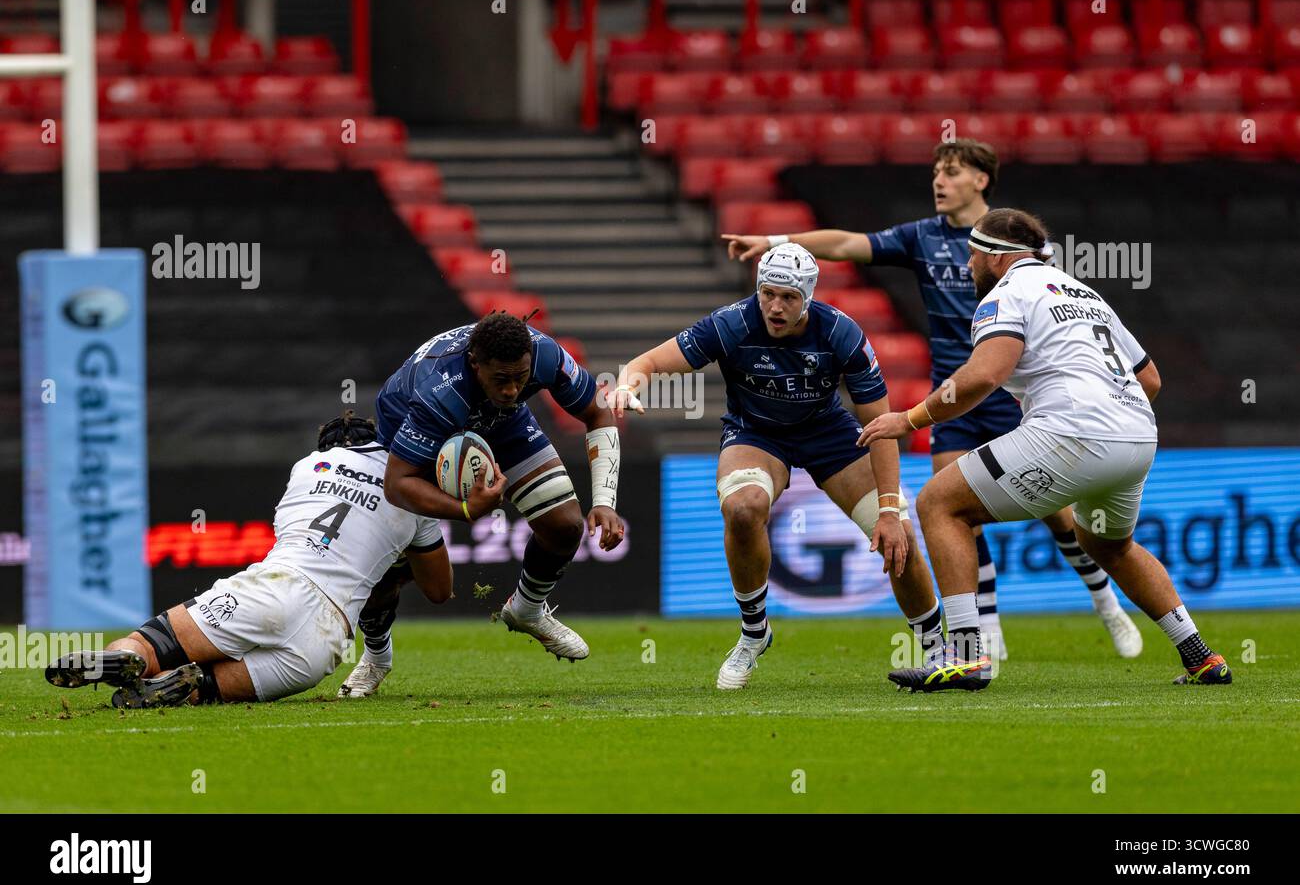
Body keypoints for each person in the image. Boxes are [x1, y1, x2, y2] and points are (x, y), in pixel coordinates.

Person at [722, 139, 1142, 661]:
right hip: (954, 393)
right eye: (936, 173)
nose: (939, 182)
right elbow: (849, 245)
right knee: (959, 508)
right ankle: (985, 628)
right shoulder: (920, 237)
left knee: (1058, 515)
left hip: (1014, 393)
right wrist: (773, 239)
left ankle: (1105, 602)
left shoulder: (1015, 243)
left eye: (951, 172)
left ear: (981, 181)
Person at [859, 209, 1231, 691]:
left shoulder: (1008, 294)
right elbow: (1150, 379)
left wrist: (908, 420)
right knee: (1107, 544)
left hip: (1073, 429)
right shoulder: (1085, 293)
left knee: (939, 504)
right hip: (1138, 433)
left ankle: (968, 655)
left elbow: (983, 376)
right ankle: (1201, 656)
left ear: (996, 257)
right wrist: (1110, 420)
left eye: (972, 255)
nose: (968, 266)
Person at [614, 243, 944, 690]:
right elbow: (648, 362)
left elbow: (882, 426)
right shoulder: (731, 323)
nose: (775, 305)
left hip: (829, 434)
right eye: (768, 293)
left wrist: (888, 509)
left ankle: (937, 648)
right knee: (743, 508)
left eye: (788, 297)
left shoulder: (842, 334)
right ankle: (754, 632)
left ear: (808, 297)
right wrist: (627, 384)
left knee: (897, 533)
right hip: (757, 433)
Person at [45, 412, 453, 707]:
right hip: (323, 645)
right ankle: (184, 687)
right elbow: (439, 590)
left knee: (153, 643)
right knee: (205, 687)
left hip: (275, 588)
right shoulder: (413, 495)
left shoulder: (307, 467)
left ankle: (133, 658)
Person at [361, 310, 624, 676]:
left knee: (565, 525)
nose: (513, 389)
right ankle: (376, 657)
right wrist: (467, 510)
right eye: (501, 379)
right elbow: (398, 483)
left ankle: (526, 609)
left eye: (521, 378)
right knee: (396, 573)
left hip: (499, 422)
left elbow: (598, 413)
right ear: (475, 363)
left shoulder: (546, 355)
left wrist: (604, 501)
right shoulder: (439, 392)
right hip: (412, 442)